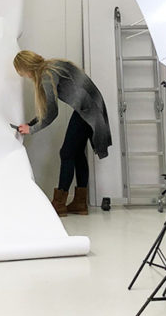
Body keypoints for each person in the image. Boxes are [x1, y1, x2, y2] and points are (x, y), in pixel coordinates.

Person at [13, 50, 112, 216]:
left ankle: (59, 203)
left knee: (66, 153)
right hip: (93, 106)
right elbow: (46, 110)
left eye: (22, 73)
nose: (25, 77)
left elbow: (51, 112)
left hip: (87, 111)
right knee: (77, 153)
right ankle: (80, 204)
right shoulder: (53, 64)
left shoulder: (46, 75)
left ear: (26, 68)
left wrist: (31, 129)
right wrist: (30, 124)